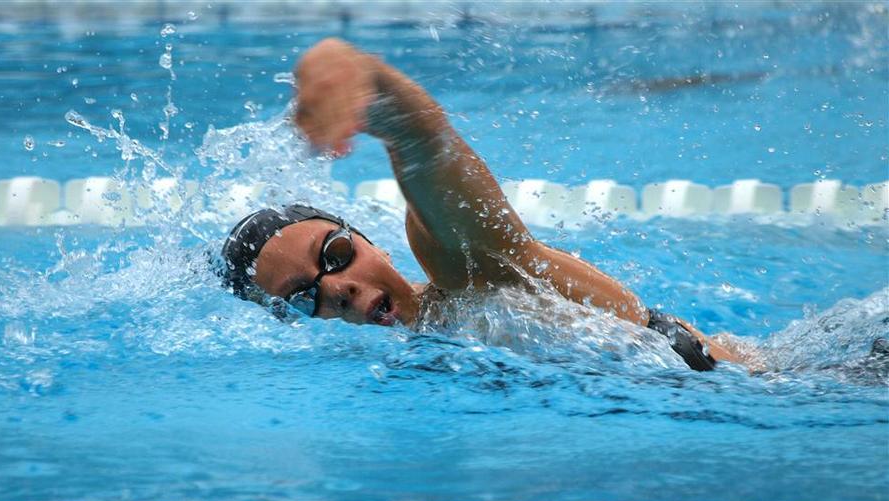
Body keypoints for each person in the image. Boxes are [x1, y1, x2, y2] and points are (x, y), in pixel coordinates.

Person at [222, 38, 746, 370]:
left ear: (364, 238)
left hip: (777, 385)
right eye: (302, 298)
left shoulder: (468, 277)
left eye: (334, 254)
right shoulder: (417, 358)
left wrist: (346, 68)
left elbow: (422, 140)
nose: (337, 287)